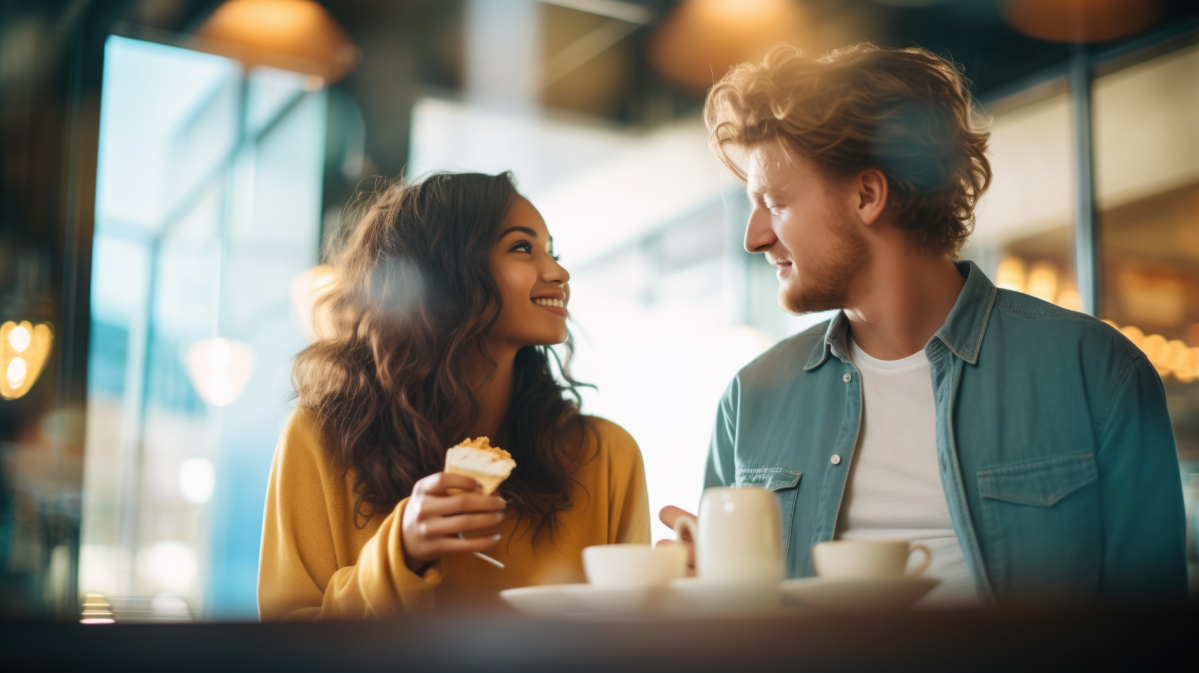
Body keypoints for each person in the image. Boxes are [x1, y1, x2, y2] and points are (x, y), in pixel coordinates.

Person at [659, 43, 1187, 604]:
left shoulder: (1096, 372)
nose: (754, 237)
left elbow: (1153, 629)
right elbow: (729, 625)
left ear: (867, 194)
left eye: (776, 202)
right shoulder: (750, 399)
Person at [259, 172, 650, 619]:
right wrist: (400, 552)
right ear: (445, 272)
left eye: (552, 251)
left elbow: (634, 633)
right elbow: (288, 641)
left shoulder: (608, 459)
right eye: (523, 248)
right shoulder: (323, 437)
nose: (559, 272)